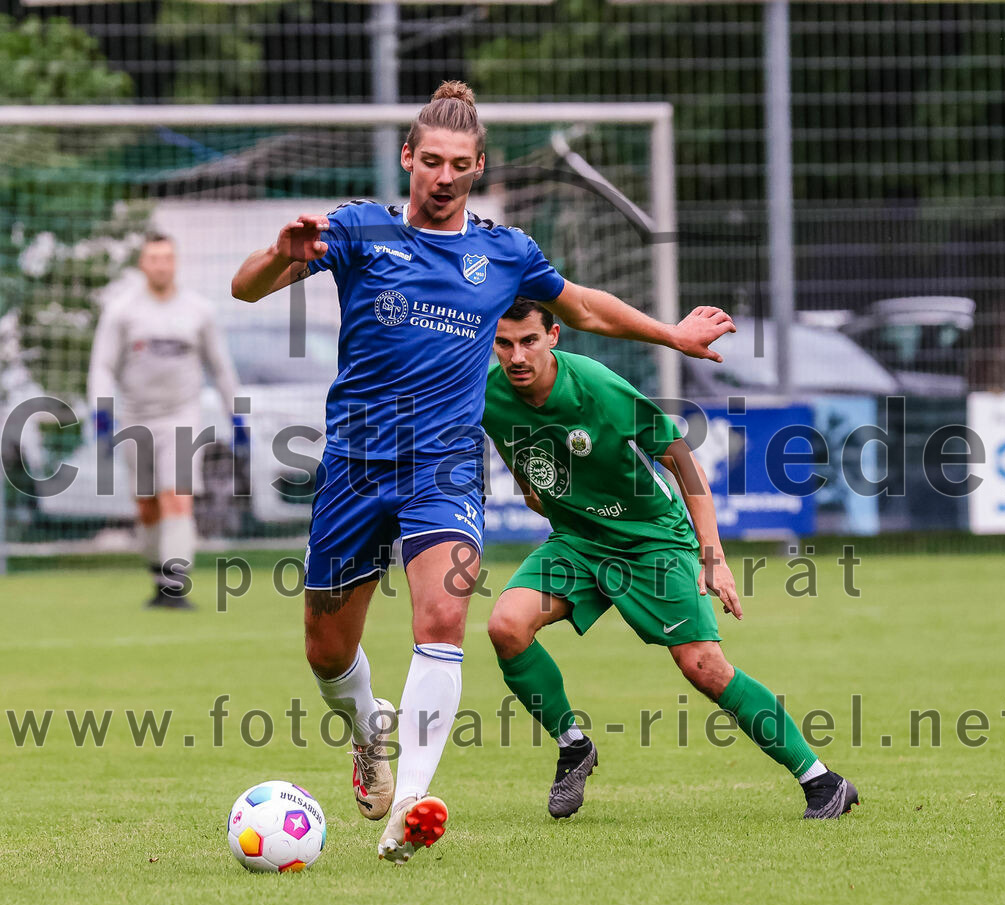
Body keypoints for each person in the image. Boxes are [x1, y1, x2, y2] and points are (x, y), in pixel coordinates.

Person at [230, 80, 736, 864]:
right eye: (430, 160)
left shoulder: (505, 253)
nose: (443, 176)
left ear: (478, 167)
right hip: (355, 467)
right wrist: (277, 255)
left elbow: (586, 307)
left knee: (442, 623)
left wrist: (671, 335)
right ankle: (372, 733)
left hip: (443, 466)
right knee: (327, 653)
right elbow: (246, 287)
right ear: (407, 158)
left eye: (459, 164)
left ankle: (411, 804)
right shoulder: (359, 231)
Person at [483, 298, 859, 820]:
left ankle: (822, 781)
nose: (517, 356)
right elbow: (519, 457)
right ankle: (573, 745)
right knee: (506, 626)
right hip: (578, 541)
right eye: (504, 343)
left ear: (554, 337)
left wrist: (714, 557)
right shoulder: (485, 392)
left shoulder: (596, 387)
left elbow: (680, 458)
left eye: (528, 340)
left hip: (651, 539)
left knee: (703, 666)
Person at [89, 232, 244, 609]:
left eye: (167, 258)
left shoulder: (198, 310)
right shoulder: (122, 310)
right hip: (136, 418)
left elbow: (221, 367)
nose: (160, 265)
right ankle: (158, 576)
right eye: (153, 259)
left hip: (182, 417)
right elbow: (103, 365)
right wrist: (100, 412)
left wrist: (237, 415)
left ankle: (175, 584)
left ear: (175, 263)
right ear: (143, 264)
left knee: (177, 496)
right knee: (147, 504)